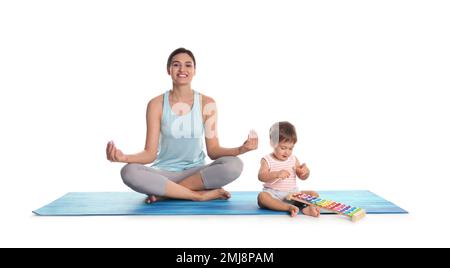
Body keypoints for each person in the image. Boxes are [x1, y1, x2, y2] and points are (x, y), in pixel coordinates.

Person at [106, 48, 258, 203]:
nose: (182, 69)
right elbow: (150, 153)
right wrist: (123, 157)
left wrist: (241, 149)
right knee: (128, 171)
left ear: (194, 70)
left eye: (188, 65)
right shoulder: (156, 104)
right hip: (164, 173)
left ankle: (165, 194)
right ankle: (197, 195)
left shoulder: (207, 103)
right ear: (168, 70)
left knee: (234, 164)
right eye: (176, 65)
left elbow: (213, 151)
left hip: (196, 174)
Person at [257, 121, 320, 217]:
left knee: (313, 194)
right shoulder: (267, 160)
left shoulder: (293, 159)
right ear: (272, 143)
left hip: (293, 194)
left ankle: (309, 208)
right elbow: (261, 176)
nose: (287, 152)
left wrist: (305, 172)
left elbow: (302, 177)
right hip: (274, 195)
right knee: (262, 197)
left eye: (290, 148)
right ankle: (288, 207)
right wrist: (276, 174)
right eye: (283, 148)